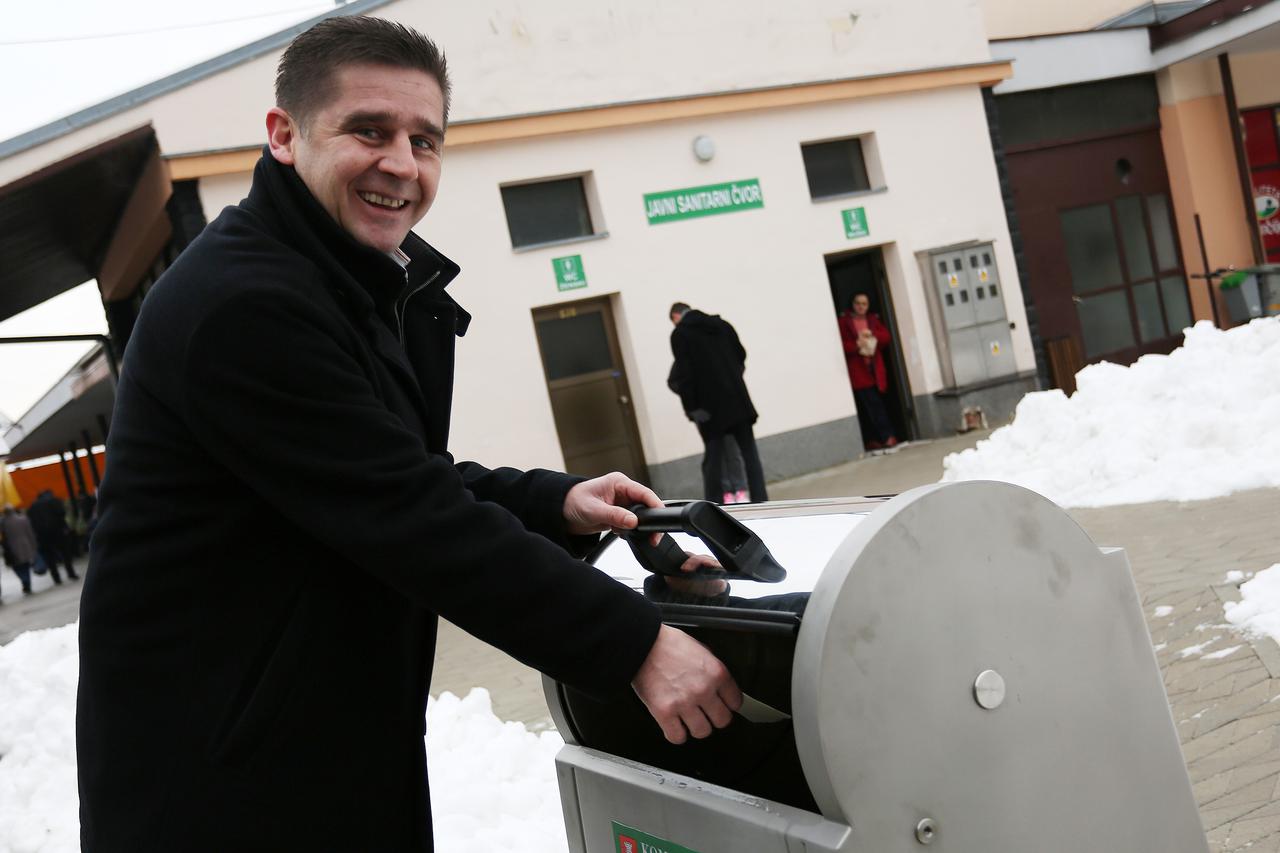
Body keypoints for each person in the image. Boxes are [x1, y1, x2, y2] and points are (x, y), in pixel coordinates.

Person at [78, 17, 740, 852]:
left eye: (425, 140)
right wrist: (632, 642)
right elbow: (409, 514)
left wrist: (553, 502)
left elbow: (387, 471)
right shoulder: (246, 307)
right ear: (284, 135)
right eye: (369, 130)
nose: (402, 164)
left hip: (305, 755)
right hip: (228, 790)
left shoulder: (337, 282)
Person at [666, 302, 769, 504]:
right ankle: (761, 500)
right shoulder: (722, 325)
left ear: (677, 316)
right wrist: (733, 380)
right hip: (738, 401)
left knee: (713, 460)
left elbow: (685, 375)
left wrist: (692, 408)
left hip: (709, 409)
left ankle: (712, 505)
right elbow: (741, 355)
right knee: (749, 454)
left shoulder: (680, 335)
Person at [838, 292, 898, 451]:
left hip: (875, 370)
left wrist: (873, 335)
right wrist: (857, 345)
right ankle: (883, 437)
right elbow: (841, 345)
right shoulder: (844, 322)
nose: (861, 307)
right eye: (858, 303)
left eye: (864, 304)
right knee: (870, 406)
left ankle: (884, 437)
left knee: (878, 404)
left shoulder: (872, 320)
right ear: (852, 304)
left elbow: (886, 337)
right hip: (859, 371)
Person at [27, 490, 77, 582]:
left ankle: (56, 577)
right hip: (58, 531)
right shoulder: (54, 501)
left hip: (42, 535)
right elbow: (62, 513)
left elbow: (31, 522)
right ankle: (71, 573)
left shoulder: (32, 507)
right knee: (65, 553)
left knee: (50, 557)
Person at [0, 506, 38, 595]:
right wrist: (34, 545)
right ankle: (26, 581)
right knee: (25, 565)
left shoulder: (3, 523)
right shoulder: (23, 519)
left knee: (17, 566)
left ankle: (24, 579)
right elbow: (30, 533)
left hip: (11, 548)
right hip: (25, 546)